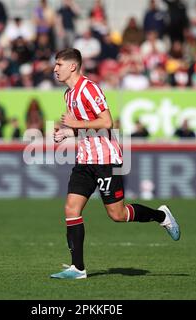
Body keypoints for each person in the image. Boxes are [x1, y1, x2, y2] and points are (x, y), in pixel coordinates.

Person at [51, 48, 180, 280]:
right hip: (84, 160)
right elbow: (86, 129)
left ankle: (161, 216)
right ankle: (77, 269)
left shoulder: (89, 89)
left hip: (105, 160)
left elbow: (107, 121)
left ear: (72, 66)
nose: (55, 69)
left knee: (117, 214)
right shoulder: (68, 95)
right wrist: (67, 132)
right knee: (71, 208)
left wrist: (75, 123)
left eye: (59, 64)